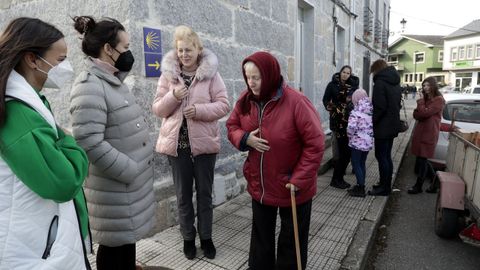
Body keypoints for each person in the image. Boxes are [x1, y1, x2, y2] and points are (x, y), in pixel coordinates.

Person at [0, 18, 91, 269]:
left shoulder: (31, 101)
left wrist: (60, 142)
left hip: (38, 239)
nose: (66, 67)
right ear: (32, 60)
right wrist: (71, 143)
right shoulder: (19, 112)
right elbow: (64, 180)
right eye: (60, 60)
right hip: (34, 250)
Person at [70, 16, 155, 270]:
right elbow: (89, 142)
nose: (129, 53)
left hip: (124, 191)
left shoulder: (112, 81)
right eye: (125, 47)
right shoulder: (89, 86)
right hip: (115, 190)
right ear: (108, 49)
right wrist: (129, 169)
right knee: (113, 252)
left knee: (124, 248)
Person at [226, 51, 325, 270]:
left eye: (256, 77)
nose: (250, 83)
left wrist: (298, 179)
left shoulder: (297, 102)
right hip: (260, 185)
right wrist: (245, 139)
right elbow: (232, 126)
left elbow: (315, 143)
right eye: (247, 77)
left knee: (291, 242)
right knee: (261, 242)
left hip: (292, 186)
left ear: (270, 75)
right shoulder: (246, 100)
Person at [152, 25, 229, 260]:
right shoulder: (168, 76)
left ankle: (206, 238)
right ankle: (188, 238)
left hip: (204, 146)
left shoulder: (211, 75)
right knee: (183, 195)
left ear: (198, 49)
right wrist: (173, 97)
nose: (184, 54)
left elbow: (224, 104)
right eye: (181, 50)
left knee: (204, 194)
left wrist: (200, 110)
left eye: (189, 49)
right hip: (178, 148)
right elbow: (157, 108)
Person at [368, 59, 402, 196]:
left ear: (376, 70)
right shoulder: (395, 82)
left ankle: (384, 188)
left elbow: (380, 107)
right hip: (393, 125)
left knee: (381, 156)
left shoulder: (380, 83)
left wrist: (372, 122)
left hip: (383, 126)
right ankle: (385, 184)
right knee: (387, 156)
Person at [322, 65, 359, 189]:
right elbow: (325, 99)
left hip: (350, 122)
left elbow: (357, 101)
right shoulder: (332, 85)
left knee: (346, 152)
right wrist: (332, 108)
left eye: (348, 73)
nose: (345, 75)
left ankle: (338, 178)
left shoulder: (353, 86)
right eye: (344, 72)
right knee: (341, 152)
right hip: (337, 122)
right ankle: (336, 179)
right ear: (340, 72)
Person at [408, 77, 445, 194]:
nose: (425, 88)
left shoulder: (438, 100)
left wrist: (420, 104)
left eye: (428, 85)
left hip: (429, 133)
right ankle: (435, 184)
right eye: (424, 86)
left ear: (433, 86)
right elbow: (417, 115)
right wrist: (421, 108)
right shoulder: (425, 100)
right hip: (420, 132)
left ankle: (418, 186)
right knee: (422, 159)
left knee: (423, 159)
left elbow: (424, 113)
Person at [346, 88, 373, 197]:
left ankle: (360, 188)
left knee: (356, 164)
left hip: (357, 143)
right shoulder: (371, 109)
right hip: (367, 142)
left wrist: (349, 135)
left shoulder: (355, 111)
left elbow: (351, 127)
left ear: (355, 99)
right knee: (362, 163)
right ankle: (361, 184)